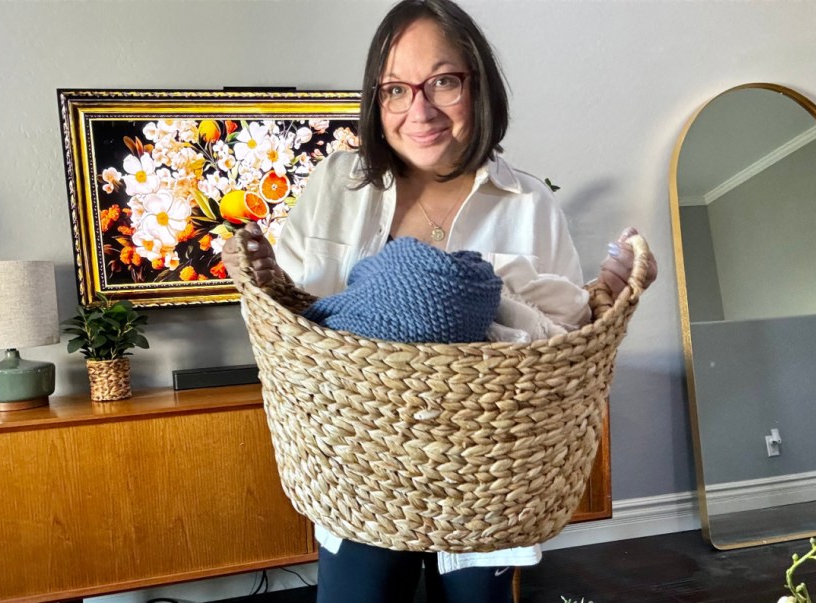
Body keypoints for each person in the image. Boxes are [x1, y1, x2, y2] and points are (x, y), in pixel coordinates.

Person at [222, 1, 657, 601]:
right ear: (377, 101)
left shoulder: (528, 204)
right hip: (357, 475)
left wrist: (612, 291)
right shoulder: (335, 185)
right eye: (396, 89)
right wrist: (259, 278)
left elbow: (564, 343)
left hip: (487, 482)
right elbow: (296, 325)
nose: (418, 111)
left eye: (443, 82)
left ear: (479, 85)